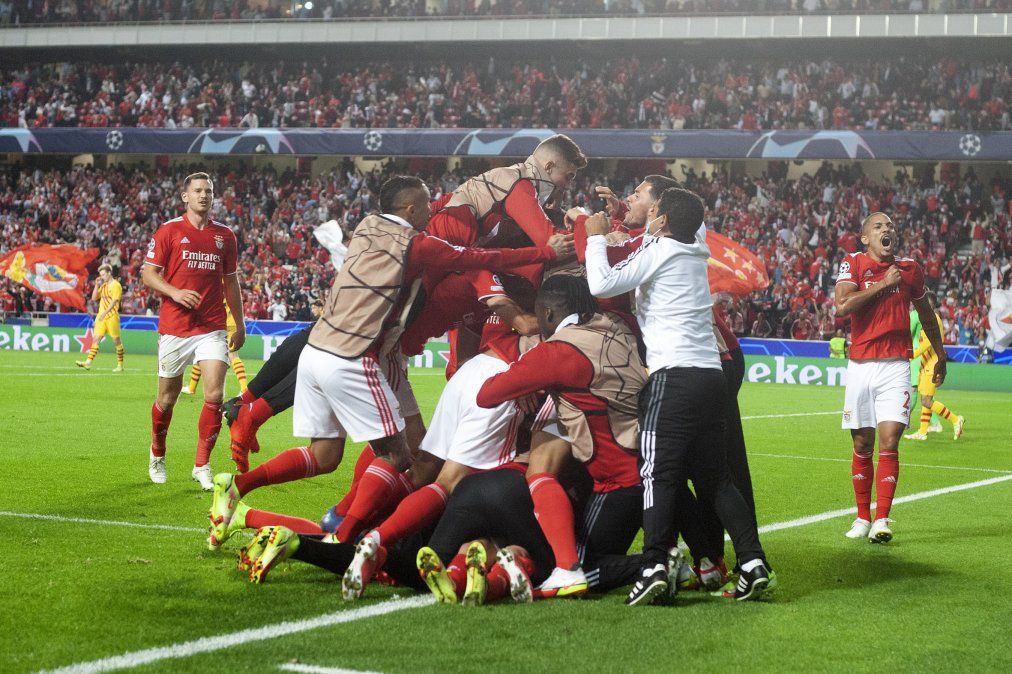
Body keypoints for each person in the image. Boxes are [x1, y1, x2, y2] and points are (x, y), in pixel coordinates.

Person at [206, 176, 567, 551]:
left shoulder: (367, 225)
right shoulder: (416, 244)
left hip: (318, 349)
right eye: (428, 205)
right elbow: (474, 257)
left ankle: (236, 487)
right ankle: (345, 540)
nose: (434, 210)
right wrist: (545, 253)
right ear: (411, 210)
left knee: (327, 454)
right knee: (398, 454)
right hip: (356, 356)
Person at [584, 187, 771, 605]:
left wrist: (596, 237)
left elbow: (601, 282)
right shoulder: (697, 249)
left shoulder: (660, 251)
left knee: (657, 473)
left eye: (653, 211)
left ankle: (652, 565)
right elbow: (689, 215)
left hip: (674, 375)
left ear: (663, 221)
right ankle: (753, 562)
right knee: (716, 478)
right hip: (710, 376)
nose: (648, 216)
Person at [834, 212, 946, 543]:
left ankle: (882, 519)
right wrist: (883, 284)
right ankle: (861, 516)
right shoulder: (853, 263)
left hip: (896, 365)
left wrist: (940, 352)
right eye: (879, 226)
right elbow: (842, 306)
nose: (888, 230)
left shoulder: (910, 269)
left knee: (890, 440)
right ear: (865, 237)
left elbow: (926, 312)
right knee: (861, 442)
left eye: (891, 227)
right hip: (860, 365)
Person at [141, 172, 245, 489]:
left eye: (208, 191)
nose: (203, 195)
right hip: (174, 326)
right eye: (197, 190)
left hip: (211, 326)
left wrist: (239, 323)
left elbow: (231, 282)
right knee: (167, 399)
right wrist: (174, 293)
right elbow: (148, 274)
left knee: (215, 393)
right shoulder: (169, 231)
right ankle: (157, 453)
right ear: (185, 196)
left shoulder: (225, 236)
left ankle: (202, 465)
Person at [904, 311, 965, 441]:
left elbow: (927, 343)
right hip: (926, 364)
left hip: (932, 366)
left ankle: (955, 419)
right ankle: (922, 431)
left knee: (926, 400)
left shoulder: (931, 320)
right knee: (925, 399)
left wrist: (910, 356)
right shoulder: (931, 319)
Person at [182, 298, 248, 396]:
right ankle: (191, 388)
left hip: (219, 324)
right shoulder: (229, 285)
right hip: (231, 322)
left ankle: (244, 389)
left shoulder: (215, 286)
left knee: (229, 354)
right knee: (203, 352)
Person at [76, 263, 125, 372]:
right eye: (101, 275)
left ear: (109, 273)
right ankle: (88, 363)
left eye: (103, 274)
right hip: (101, 317)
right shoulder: (103, 285)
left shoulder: (116, 285)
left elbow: (114, 301)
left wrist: (105, 313)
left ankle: (120, 365)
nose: (102, 277)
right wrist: (97, 285)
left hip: (111, 316)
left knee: (116, 340)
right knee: (96, 339)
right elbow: (94, 298)